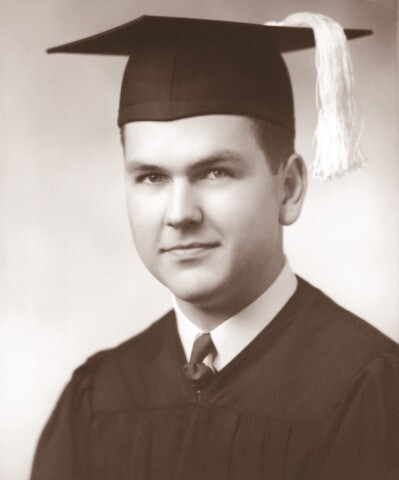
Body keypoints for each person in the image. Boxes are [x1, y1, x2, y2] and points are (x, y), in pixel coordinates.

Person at [31, 13, 398, 480]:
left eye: (214, 172)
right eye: (152, 177)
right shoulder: (96, 398)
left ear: (287, 189)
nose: (180, 212)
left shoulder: (370, 389)